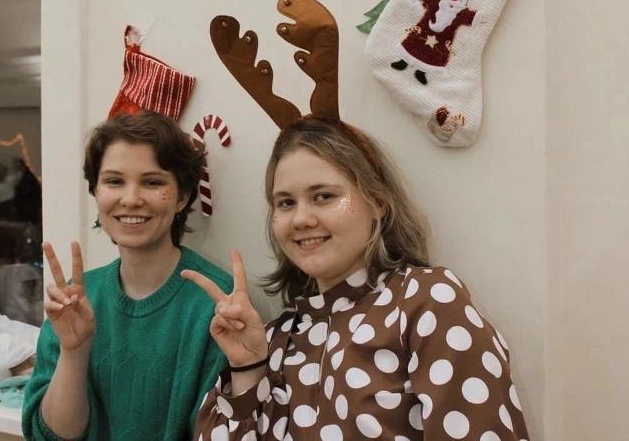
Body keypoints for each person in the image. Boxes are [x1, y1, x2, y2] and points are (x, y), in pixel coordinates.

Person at [184, 116, 529, 440]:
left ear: (377, 201)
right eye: (286, 203)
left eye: (324, 196)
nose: (301, 219)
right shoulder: (275, 338)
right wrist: (247, 368)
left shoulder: (427, 302)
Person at [22, 112, 233, 440]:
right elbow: (49, 436)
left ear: (182, 197)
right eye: (114, 181)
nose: (131, 199)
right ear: (96, 192)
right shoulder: (74, 301)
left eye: (152, 182)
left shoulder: (217, 300)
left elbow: (219, 431)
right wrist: (74, 352)